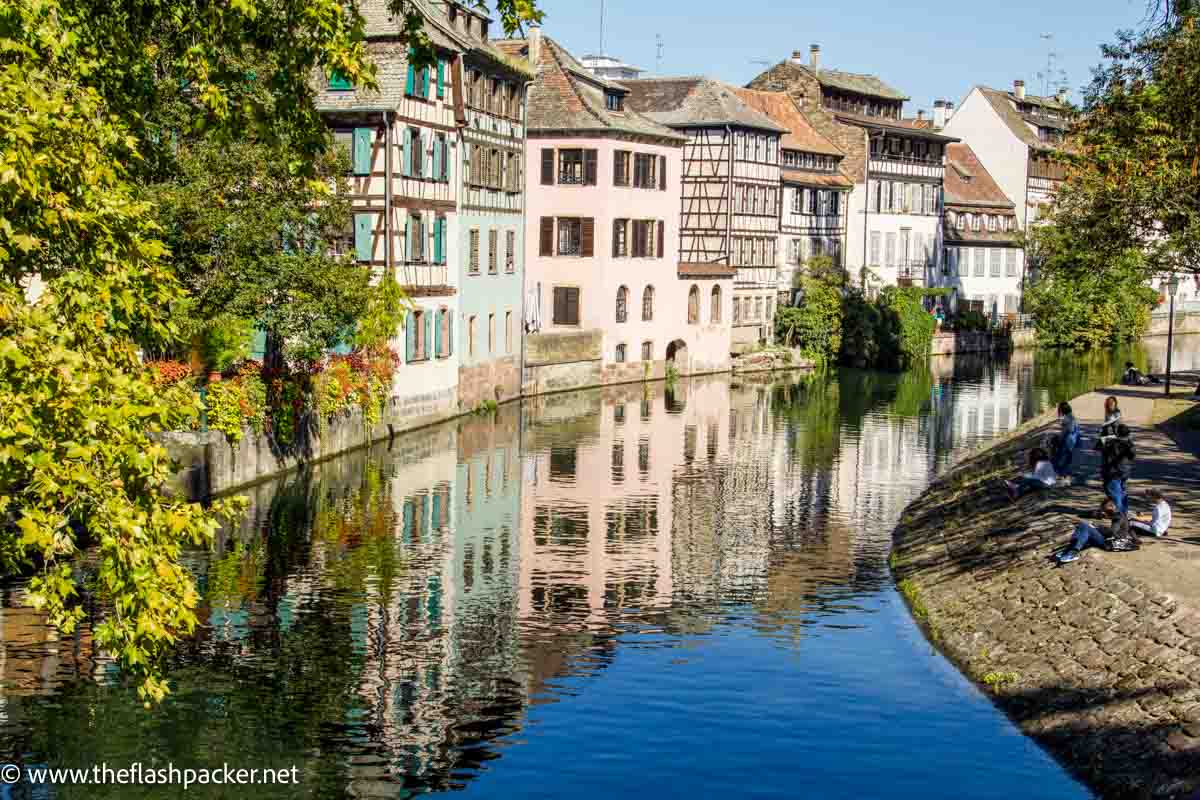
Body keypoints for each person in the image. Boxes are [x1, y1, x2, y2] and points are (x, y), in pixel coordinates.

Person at [1056, 499, 1138, 563]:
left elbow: (1113, 533)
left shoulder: (1118, 517)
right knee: (1084, 527)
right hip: (1109, 540)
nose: (1103, 512)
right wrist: (1136, 539)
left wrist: (1097, 528)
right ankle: (1070, 550)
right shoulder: (1118, 515)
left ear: (1111, 508)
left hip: (1110, 543)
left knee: (1085, 526)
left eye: (1104, 510)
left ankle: (1072, 552)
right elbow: (1129, 528)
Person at [1098, 424, 1135, 514]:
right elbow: (1132, 456)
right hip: (1124, 472)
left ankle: (1120, 515)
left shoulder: (1111, 443)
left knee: (1115, 495)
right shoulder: (1130, 444)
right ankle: (1124, 511)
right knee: (1122, 493)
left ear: (1117, 433)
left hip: (1112, 473)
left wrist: (1104, 437)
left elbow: (1100, 448)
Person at [1051, 401, 1080, 476]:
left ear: (1062, 410)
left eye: (1059, 409)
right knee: (1068, 457)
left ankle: (1057, 471)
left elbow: (1066, 431)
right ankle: (1064, 471)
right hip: (1073, 439)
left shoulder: (1066, 418)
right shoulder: (1072, 416)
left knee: (1059, 456)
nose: (1059, 411)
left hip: (1067, 439)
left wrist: (1059, 439)